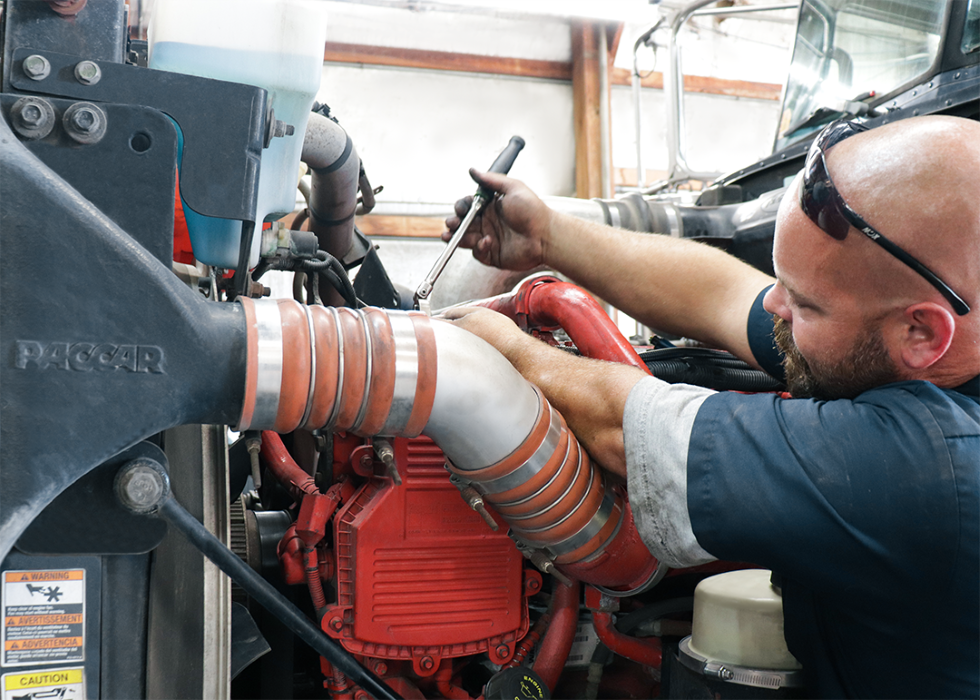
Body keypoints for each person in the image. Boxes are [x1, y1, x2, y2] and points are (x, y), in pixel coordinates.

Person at [442, 115, 980, 699]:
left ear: (922, 334)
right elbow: (719, 294)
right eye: (780, 279)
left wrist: (491, 351)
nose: (774, 303)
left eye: (804, 303)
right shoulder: (901, 340)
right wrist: (547, 236)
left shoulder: (935, 468)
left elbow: (630, 428)